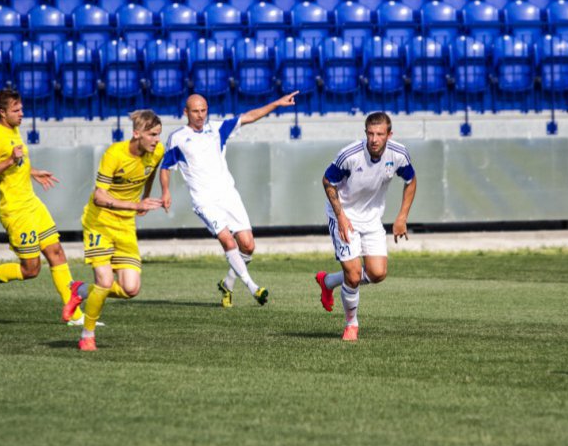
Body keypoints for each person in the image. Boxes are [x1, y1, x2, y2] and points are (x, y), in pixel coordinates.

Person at [159, 91, 299, 307]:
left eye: (203, 110)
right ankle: (253, 287)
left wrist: (277, 103)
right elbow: (165, 167)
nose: (200, 115)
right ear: (185, 112)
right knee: (227, 240)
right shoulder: (177, 138)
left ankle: (227, 284)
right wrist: (165, 191)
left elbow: (249, 116)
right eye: (195, 111)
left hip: (228, 195)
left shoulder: (218, 128)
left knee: (248, 246)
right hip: (204, 200)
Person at [0, 88, 82, 324]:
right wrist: (10, 160)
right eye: (16, 110)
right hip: (16, 211)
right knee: (31, 270)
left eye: (21, 108)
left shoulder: (13, 129)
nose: (22, 113)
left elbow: (17, 164)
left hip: (32, 203)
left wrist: (32, 172)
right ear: (2, 112)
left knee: (56, 252)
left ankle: (75, 315)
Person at [62, 110, 165, 351]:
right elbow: (99, 197)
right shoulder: (114, 154)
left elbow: (151, 172)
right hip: (99, 222)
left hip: (125, 225)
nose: (156, 140)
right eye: (152, 135)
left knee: (131, 289)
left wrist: (146, 196)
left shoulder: (157, 151)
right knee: (106, 281)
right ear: (136, 133)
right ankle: (87, 335)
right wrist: (135, 205)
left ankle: (80, 290)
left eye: (158, 134)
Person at [313, 111, 417, 341]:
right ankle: (352, 325)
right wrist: (340, 216)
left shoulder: (398, 154)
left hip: (372, 219)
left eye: (380, 134)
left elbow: (411, 180)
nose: (374, 139)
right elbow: (328, 180)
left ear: (389, 135)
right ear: (365, 133)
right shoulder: (350, 155)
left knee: (377, 273)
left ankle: (328, 281)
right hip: (345, 216)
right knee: (352, 275)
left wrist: (402, 217)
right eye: (370, 133)